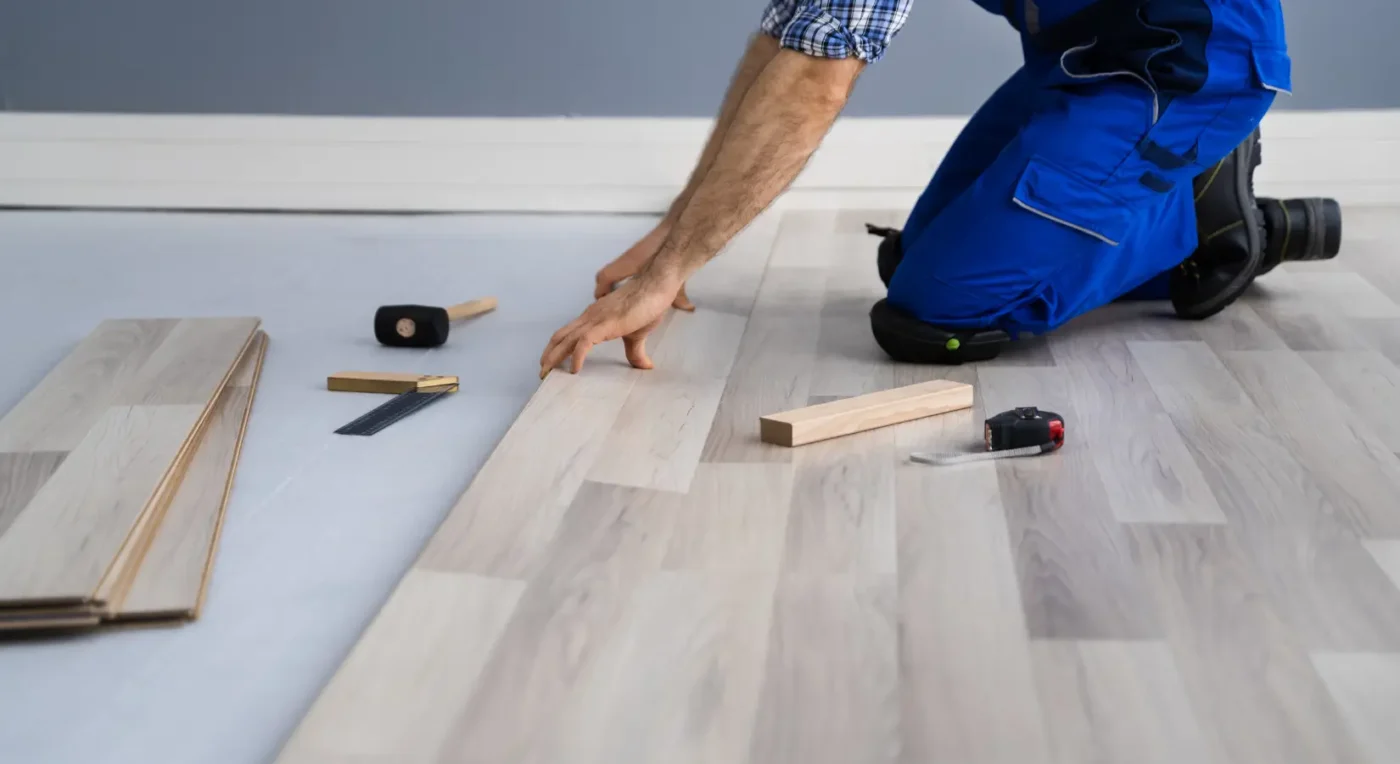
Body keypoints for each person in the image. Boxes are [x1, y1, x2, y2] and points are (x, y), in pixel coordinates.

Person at [539, 0, 1340, 377]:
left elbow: (817, 80)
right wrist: (678, 233)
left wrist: (667, 272)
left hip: (1188, 67)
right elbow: (792, 36)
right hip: (1086, 53)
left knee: (935, 314)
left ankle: (1203, 215)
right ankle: (1182, 202)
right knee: (913, 264)